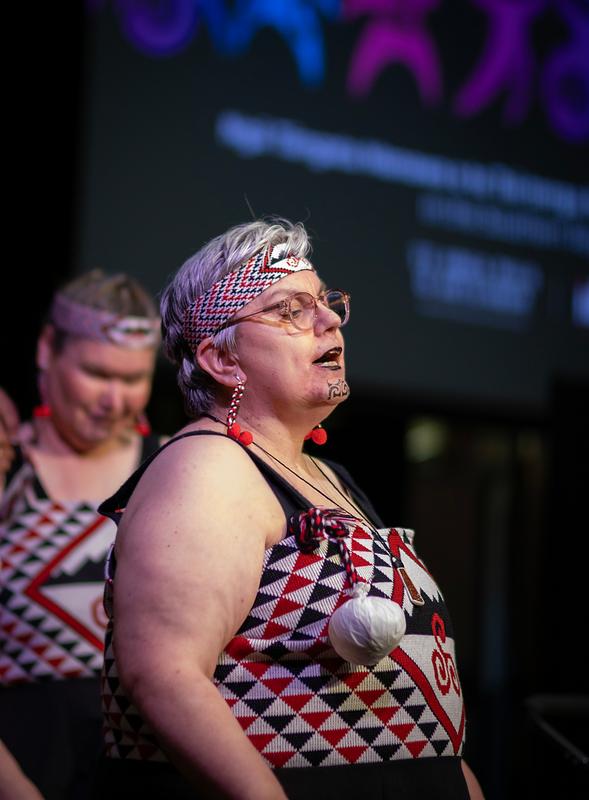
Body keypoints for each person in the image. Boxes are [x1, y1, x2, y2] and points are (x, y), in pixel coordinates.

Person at [95, 219, 485, 799]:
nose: (329, 321)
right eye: (290, 310)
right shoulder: (208, 468)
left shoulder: (331, 478)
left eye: (326, 302)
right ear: (222, 360)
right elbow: (163, 674)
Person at [0, 270, 162, 800]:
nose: (114, 401)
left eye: (133, 379)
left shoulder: (174, 471)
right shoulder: (8, 470)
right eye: (96, 373)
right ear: (48, 348)